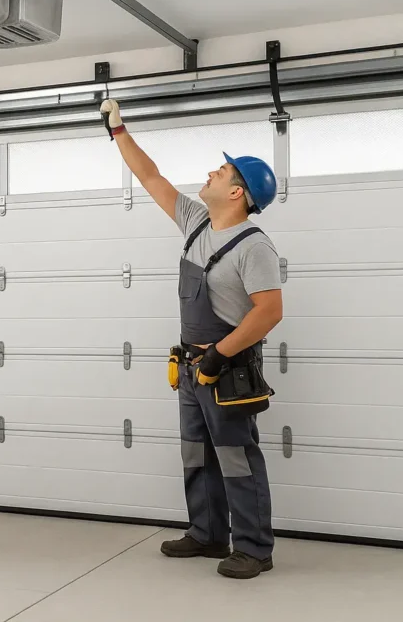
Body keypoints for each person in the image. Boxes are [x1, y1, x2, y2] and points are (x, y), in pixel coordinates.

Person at [100, 99, 283, 579]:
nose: (210, 174)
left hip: (228, 371)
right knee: (196, 452)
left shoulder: (254, 246)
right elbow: (151, 177)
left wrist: (220, 357)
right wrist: (118, 131)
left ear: (238, 192)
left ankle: (254, 549)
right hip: (189, 367)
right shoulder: (195, 222)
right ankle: (207, 534)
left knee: (237, 458)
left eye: (220, 172)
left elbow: (270, 312)